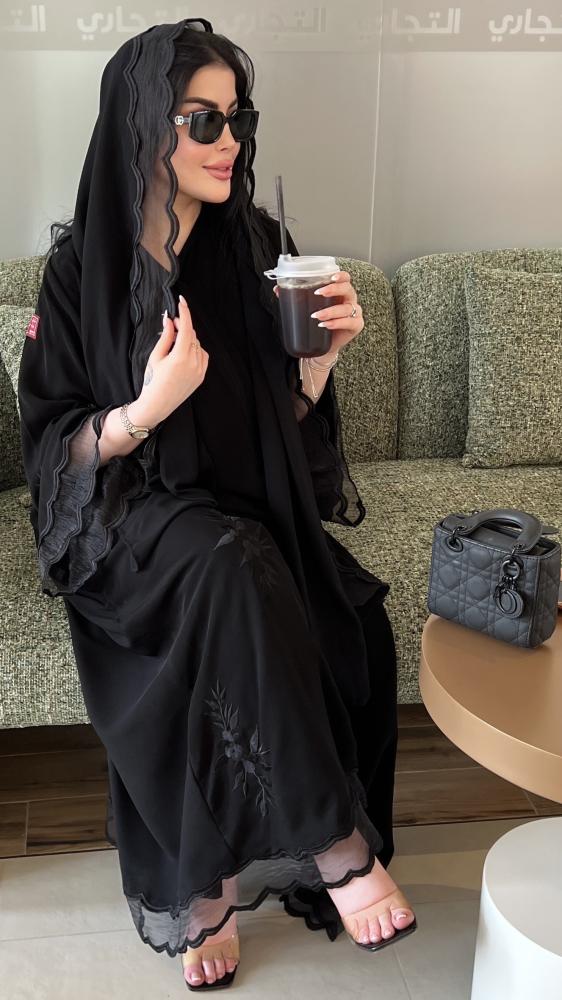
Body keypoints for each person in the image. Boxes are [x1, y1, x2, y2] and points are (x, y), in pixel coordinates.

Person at [17, 17, 417, 992]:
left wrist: (316, 368)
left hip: (240, 509)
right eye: (203, 120)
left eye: (238, 119)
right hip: (128, 521)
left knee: (344, 612)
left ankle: (211, 879)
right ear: (144, 124)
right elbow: (56, 448)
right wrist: (146, 409)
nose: (228, 140)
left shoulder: (260, 250)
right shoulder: (80, 273)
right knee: (227, 567)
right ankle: (335, 844)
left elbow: (281, 433)